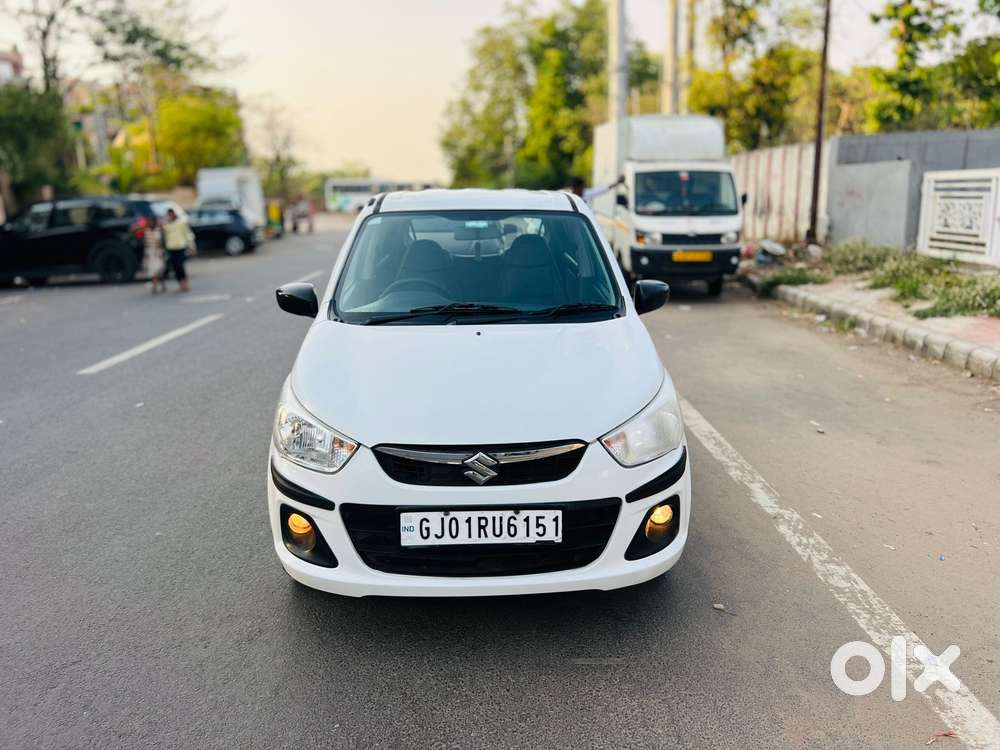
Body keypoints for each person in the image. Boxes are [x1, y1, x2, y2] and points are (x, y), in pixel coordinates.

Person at [161, 207, 193, 292]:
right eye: (169, 215)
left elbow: (187, 234)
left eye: (171, 214)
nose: (170, 216)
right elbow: (163, 234)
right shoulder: (167, 225)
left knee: (180, 266)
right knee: (175, 267)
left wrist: (190, 246)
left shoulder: (181, 223)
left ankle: (185, 283)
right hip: (171, 248)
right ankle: (181, 284)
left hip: (180, 247)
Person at [143, 215, 166, 293]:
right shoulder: (147, 231)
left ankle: (158, 283)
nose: (151, 223)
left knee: (159, 269)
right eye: (149, 221)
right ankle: (155, 285)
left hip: (158, 253)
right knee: (153, 270)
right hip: (150, 253)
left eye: (152, 221)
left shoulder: (159, 230)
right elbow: (146, 243)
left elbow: (163, 242)